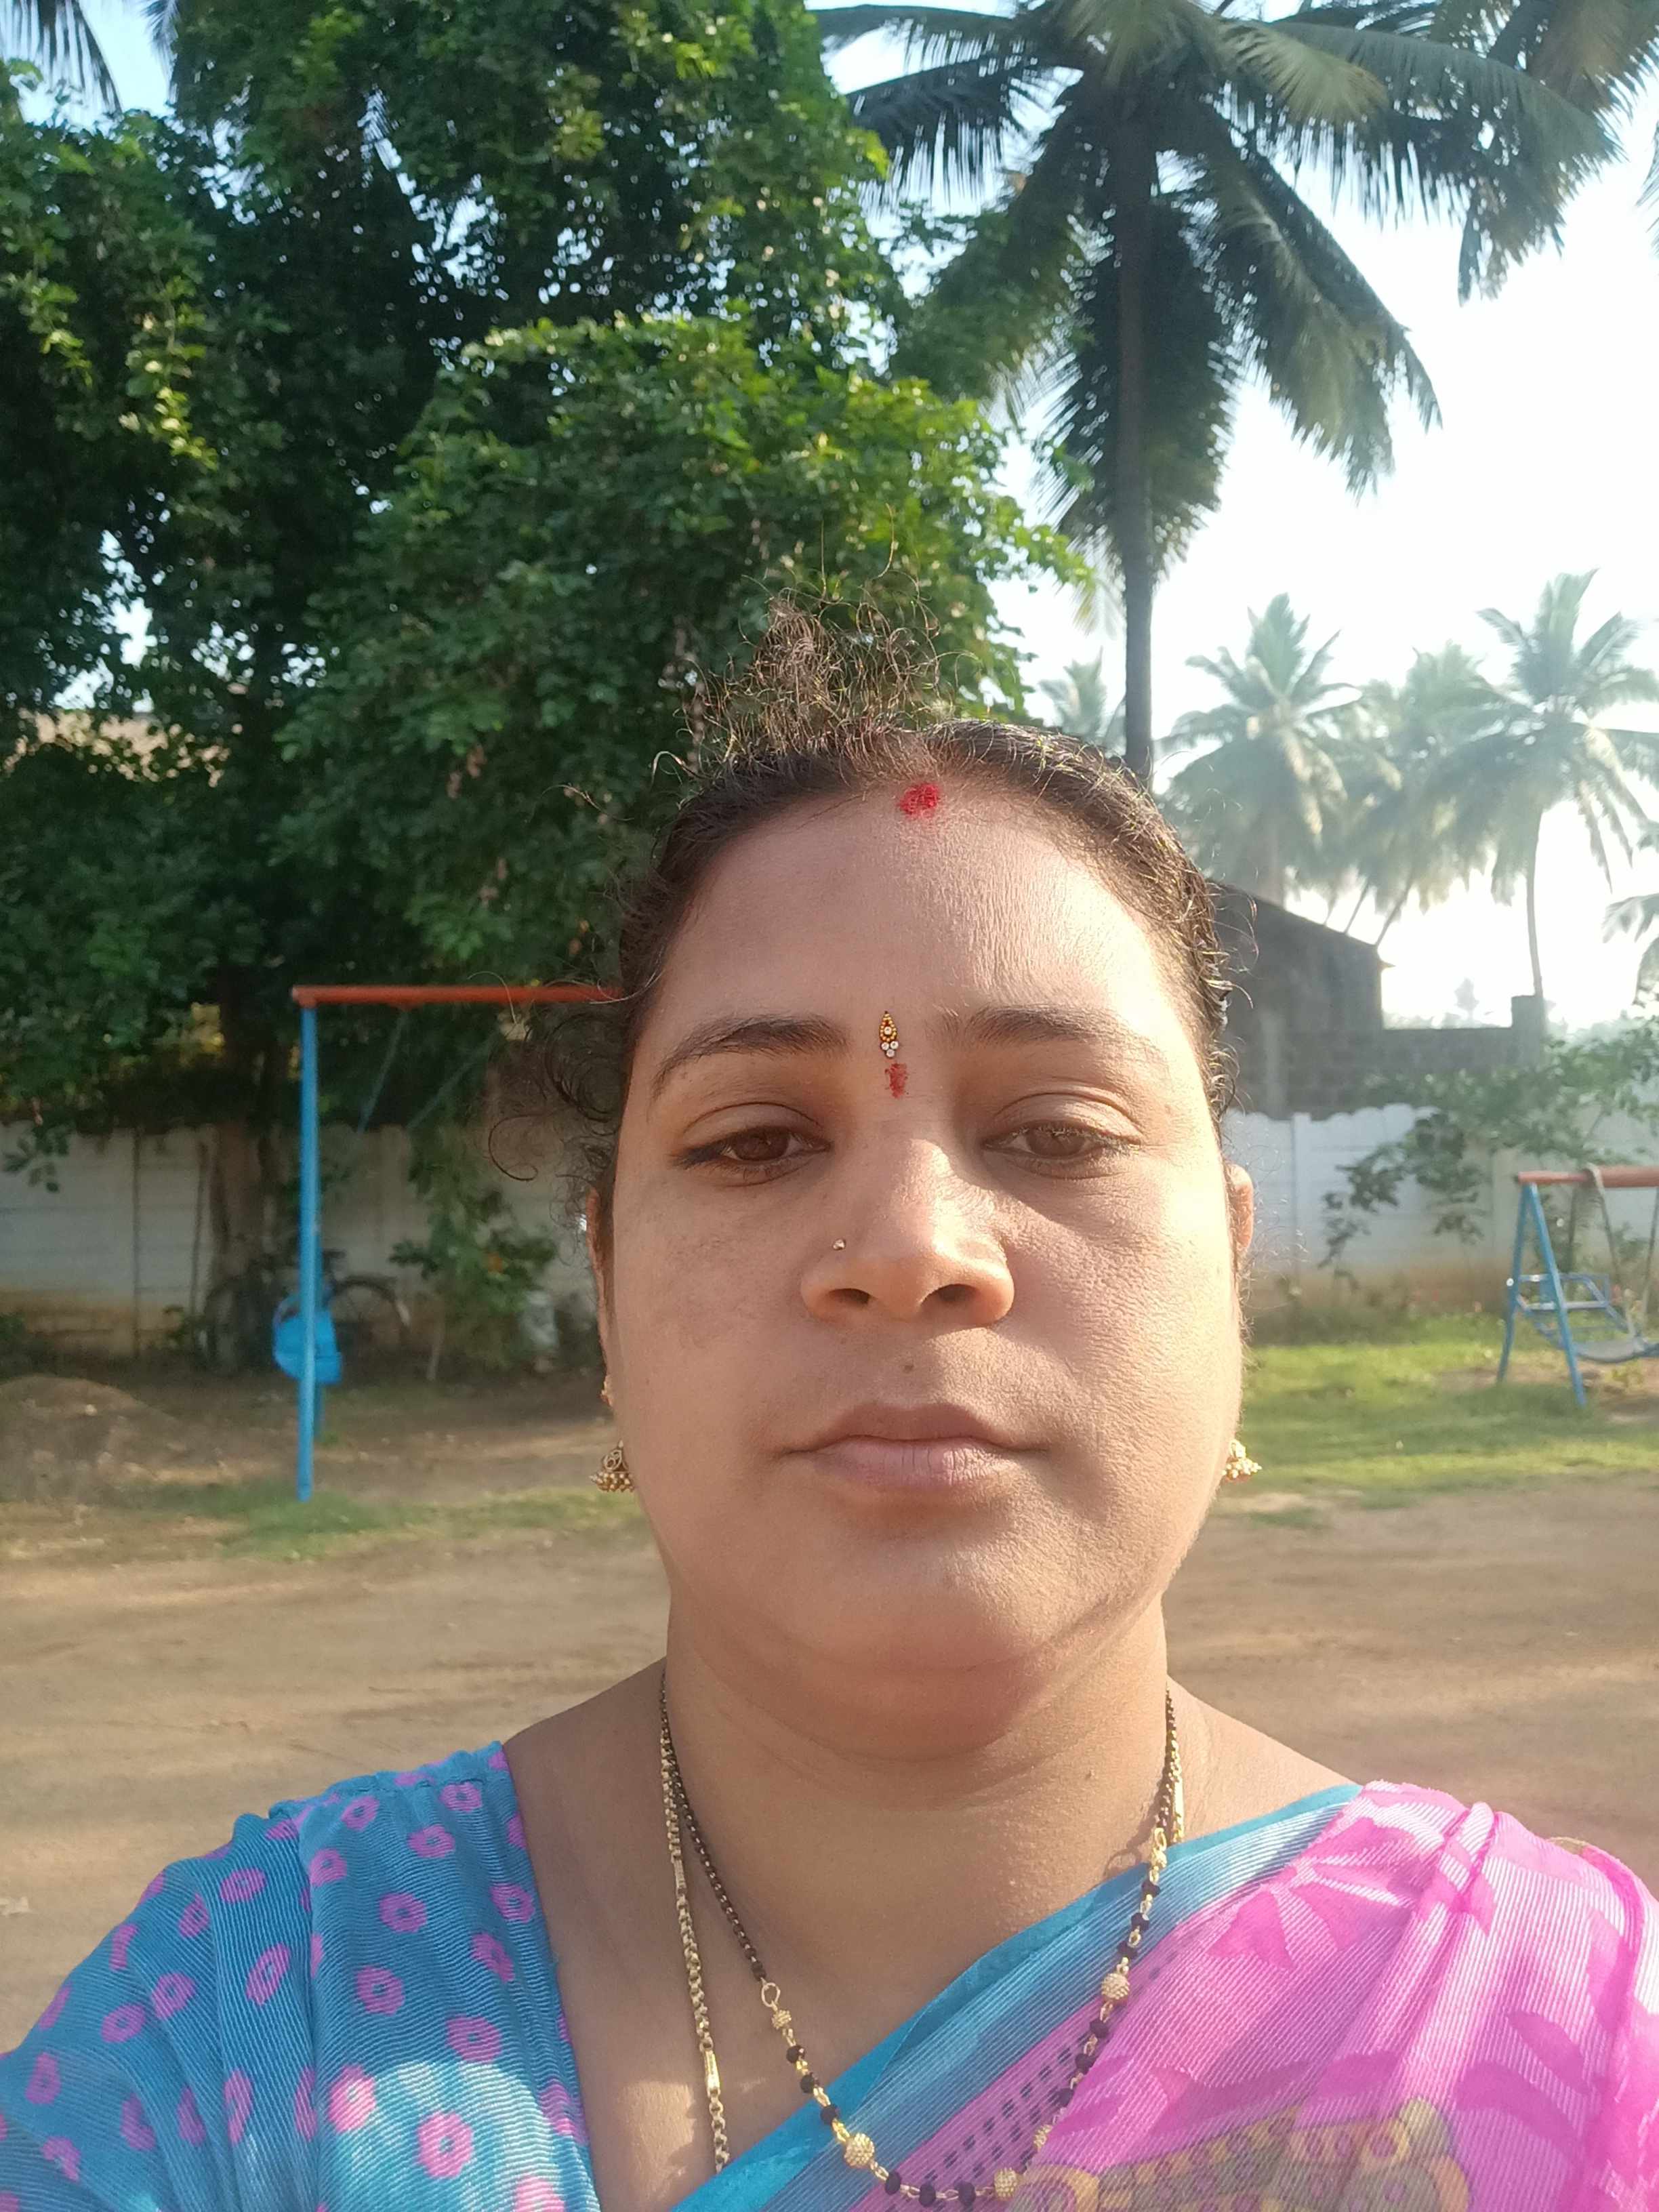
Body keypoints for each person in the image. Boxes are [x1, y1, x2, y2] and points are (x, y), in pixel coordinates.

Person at [2, 609, 1654, 2212]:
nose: (913, 1252)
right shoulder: (242, 2040)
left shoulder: (1560, 2043)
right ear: (606, 1283)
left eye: (1059, 1132)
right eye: (755, 1142)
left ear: (1232, 1264)